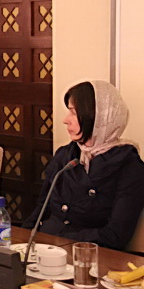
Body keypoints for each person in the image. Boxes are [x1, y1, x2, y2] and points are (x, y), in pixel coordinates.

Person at [24, 80, 144, 250]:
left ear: (98, 118)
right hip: (46, 247)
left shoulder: (129, 166)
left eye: (73, 113)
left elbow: (116, 235)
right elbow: (41, 210)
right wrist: (20, 242)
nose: (66, 120)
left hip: (89, 254)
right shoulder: (65, 155)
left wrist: (59, 239)